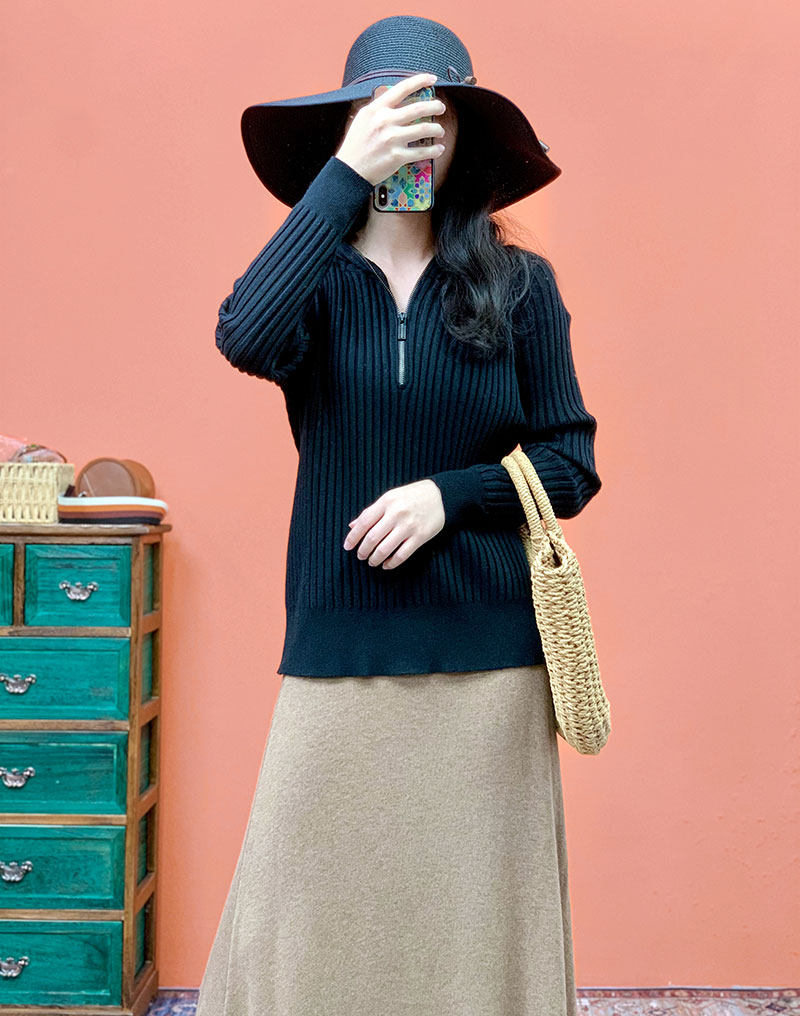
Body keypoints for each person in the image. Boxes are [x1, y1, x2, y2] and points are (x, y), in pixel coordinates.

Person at [196, 15, 601, 1016]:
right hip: (339, 640)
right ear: (354, 124)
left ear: (462, 135)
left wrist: (445, 496)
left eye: (433, 114)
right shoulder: (315, 288)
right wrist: (343, 177)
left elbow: (569, 463)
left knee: (474, 928)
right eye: (387, 112)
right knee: (306, 917)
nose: (415, 135)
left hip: (489, 663)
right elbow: (242, 334)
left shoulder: (518, 285)